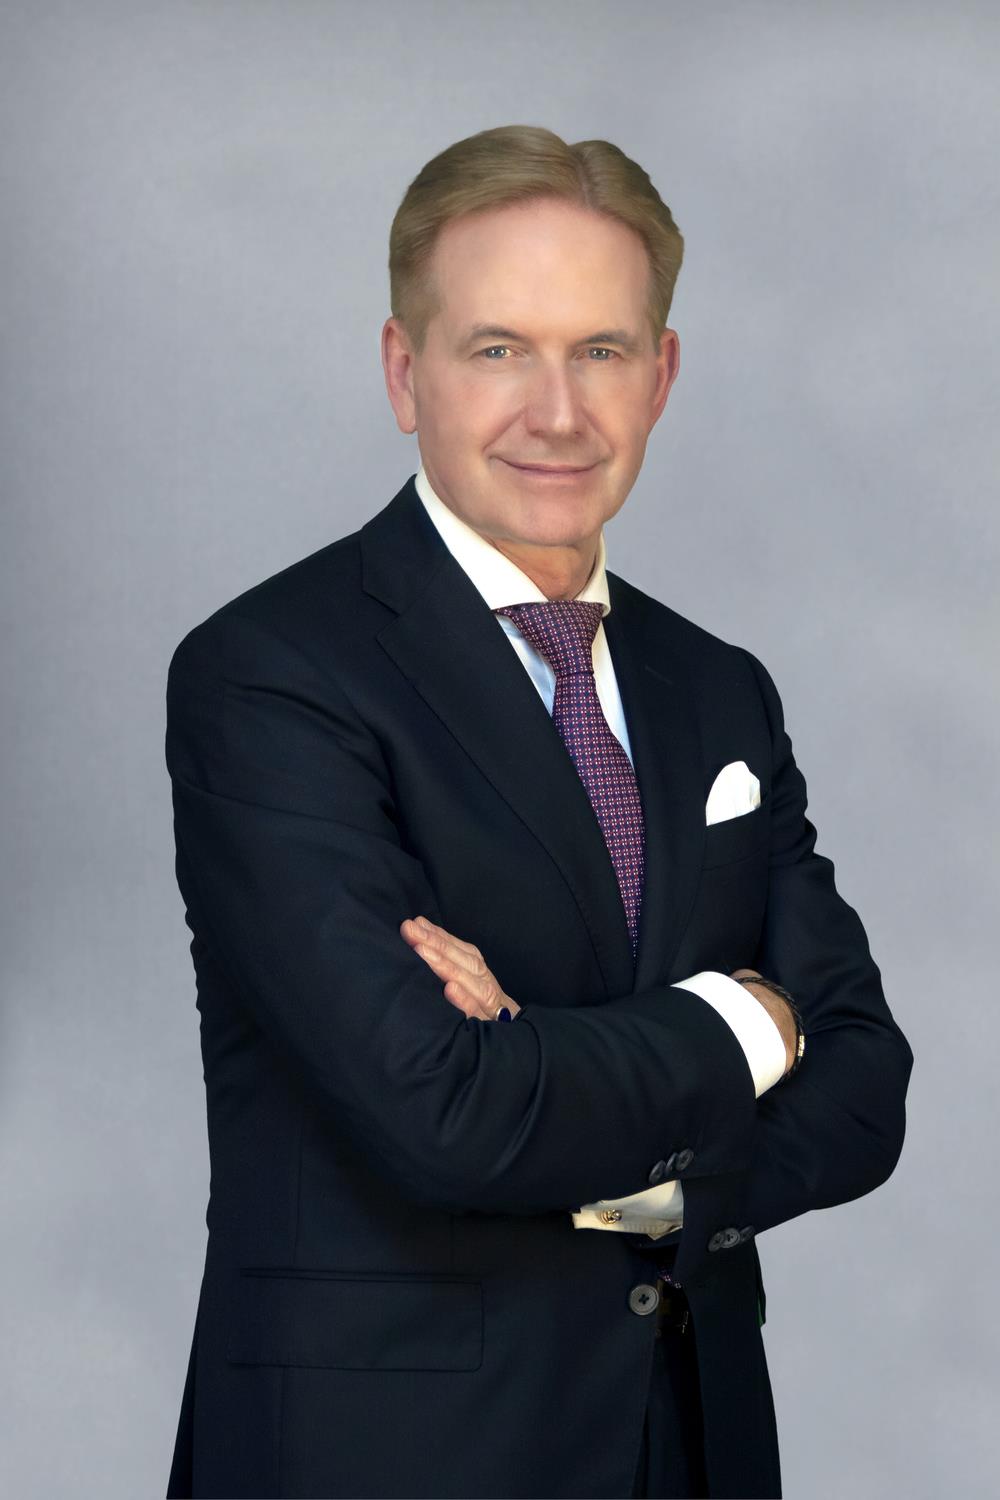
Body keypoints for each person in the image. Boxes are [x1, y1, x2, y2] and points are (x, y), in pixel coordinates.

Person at [164, 125, 912, 1499]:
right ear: (406, 372)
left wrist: (658, 1170)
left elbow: (865, 1082)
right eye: (499, 348)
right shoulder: (270, 676)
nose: (557, 413)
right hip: (387, 1460)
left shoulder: (719, 689)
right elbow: (443, 1109)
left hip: (690, 1448)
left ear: (662, 376)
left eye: (601, 351)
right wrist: (750, 1022)